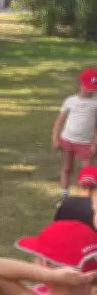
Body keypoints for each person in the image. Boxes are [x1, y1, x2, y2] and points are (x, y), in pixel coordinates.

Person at [52, 68, 97, 201]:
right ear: (79, 84)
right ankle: (64, 195)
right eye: (87, 87)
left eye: (93, 88)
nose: (90, 91)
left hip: (86, 143)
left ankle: (85, 198)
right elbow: (59, 121)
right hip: (68, 140)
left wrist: (95, 143)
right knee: (66, 168)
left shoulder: (96, 104)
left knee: (87, 174)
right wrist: (55, 138)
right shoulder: (70, 101)